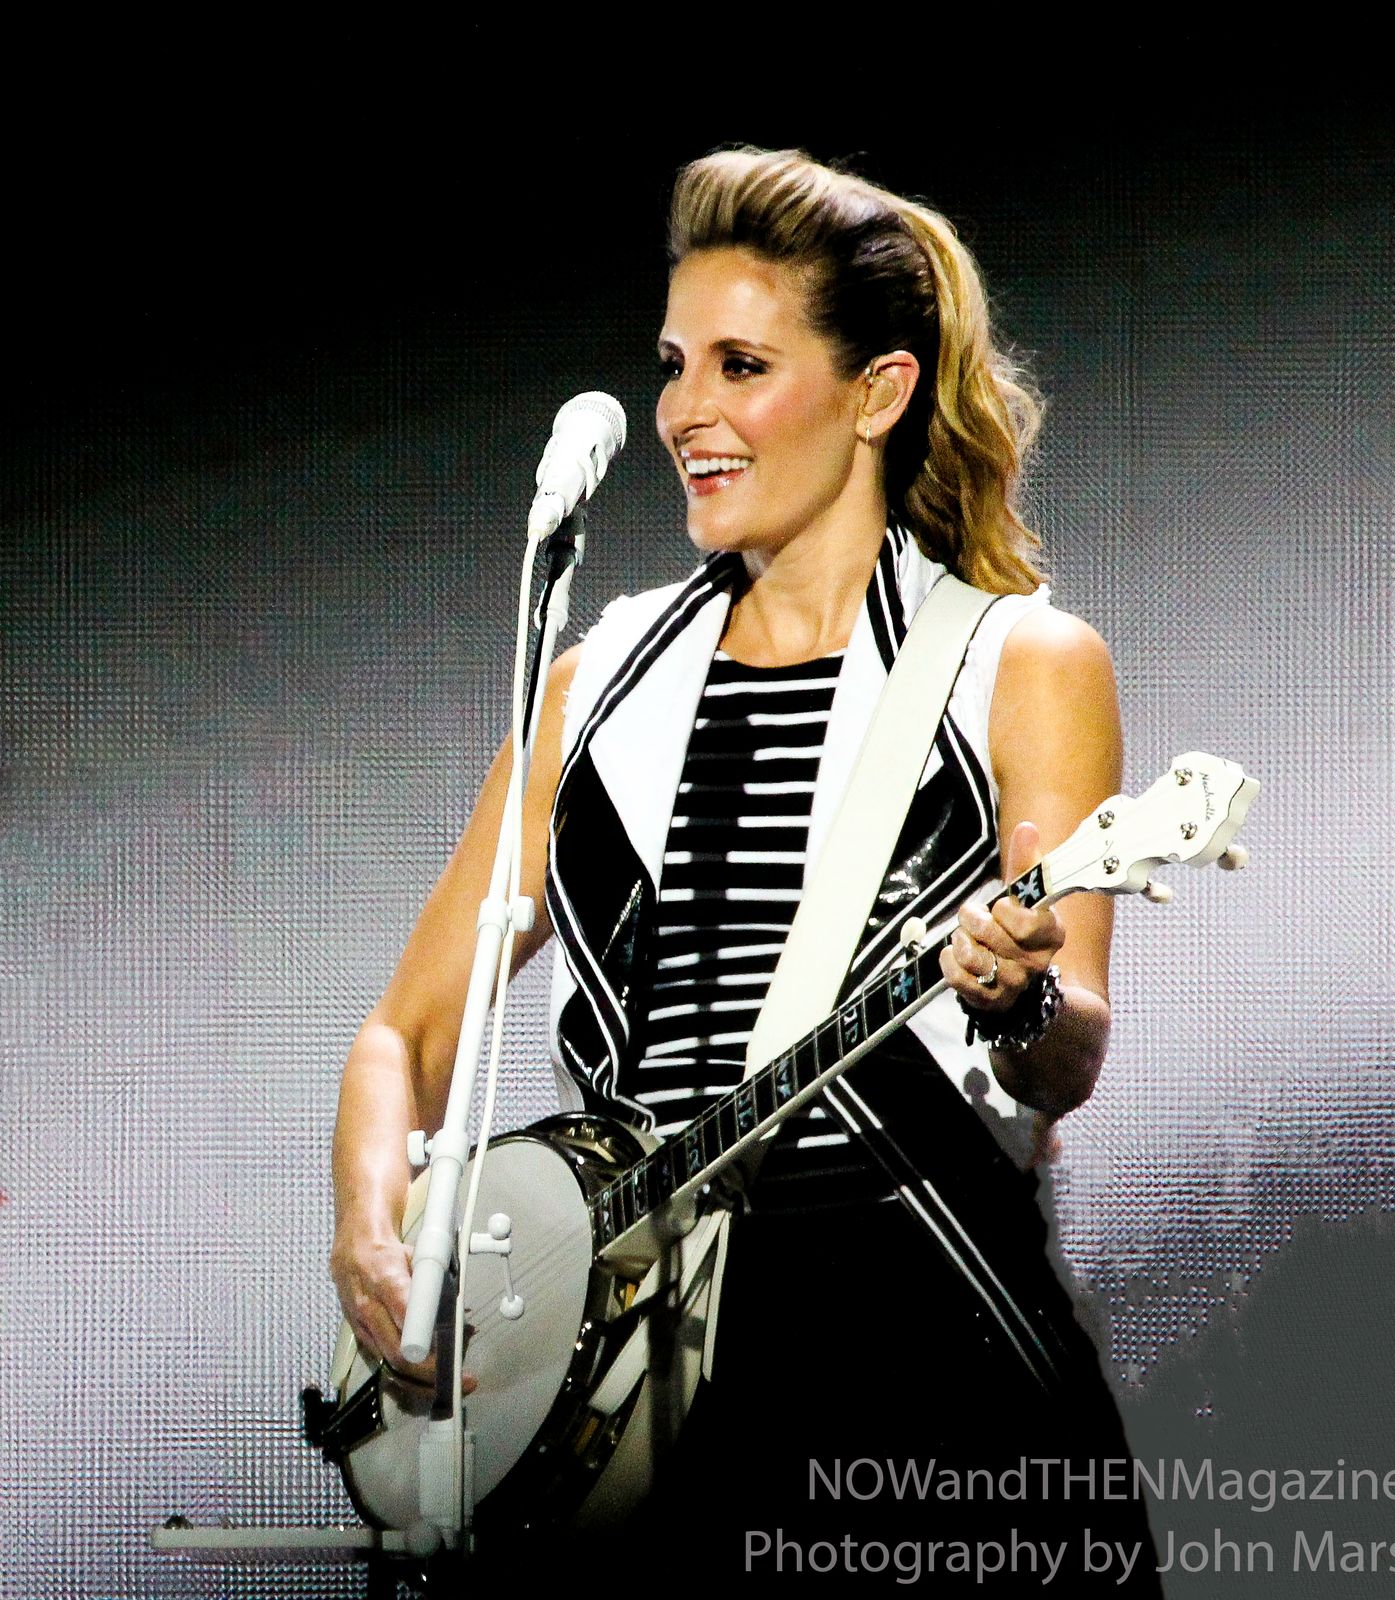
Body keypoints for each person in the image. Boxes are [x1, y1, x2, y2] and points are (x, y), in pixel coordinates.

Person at [330, 147, 1162, 1591]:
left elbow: (1067, 1047)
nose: (684, 414)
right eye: (675, 366)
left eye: (742, 366)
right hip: (639, 1397)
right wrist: (368, 1225)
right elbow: (404, 1037)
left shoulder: (1019, 662)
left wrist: (1023, 998)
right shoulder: (596, 683)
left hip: (928, 1357)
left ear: (878, 392)